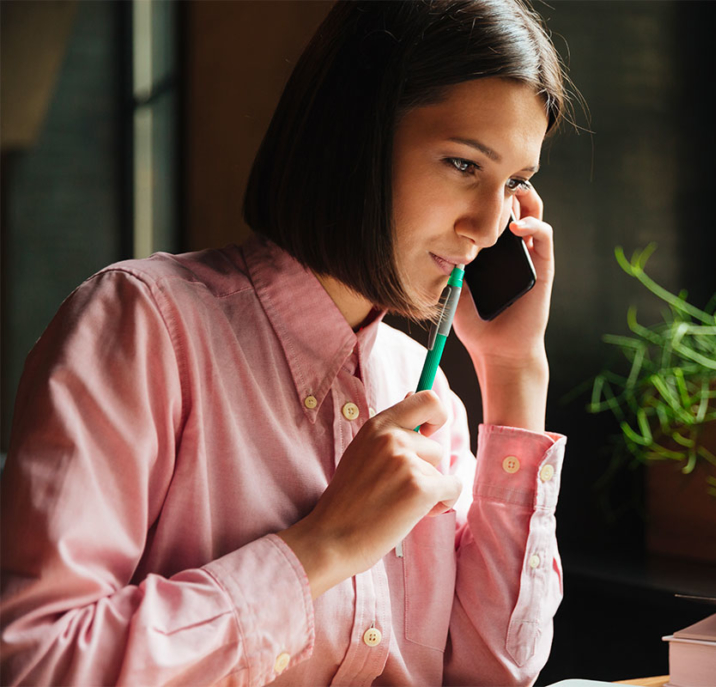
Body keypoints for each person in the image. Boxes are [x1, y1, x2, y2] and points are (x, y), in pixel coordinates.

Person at [0, 1, 573, 684]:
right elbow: (38, 661)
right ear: (355, 137)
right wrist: (317, 549)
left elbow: (494, 671)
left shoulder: (424, 388)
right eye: (461, 163)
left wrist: (514, 369)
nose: (486, 224)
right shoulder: (143, 327)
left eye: (513, 184)